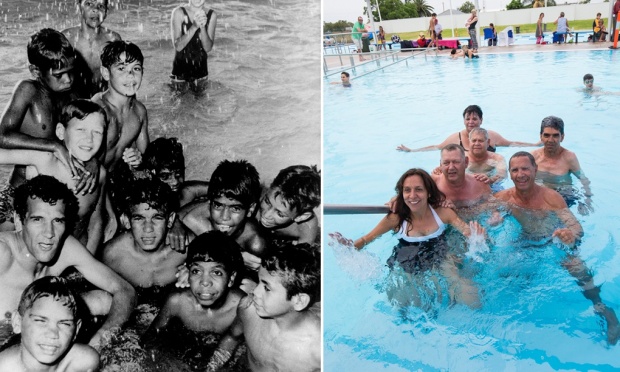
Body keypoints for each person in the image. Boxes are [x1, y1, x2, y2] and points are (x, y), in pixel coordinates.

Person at [493, 152, 620, 345]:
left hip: (553, 240)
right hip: (525, 241)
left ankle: (602, 308)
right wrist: (495, 217)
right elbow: (480, 210)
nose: (521, 174)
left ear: (535, 170)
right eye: (515, 170)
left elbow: (576, 227)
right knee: (503, 272)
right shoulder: (503, 198)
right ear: (510, 174)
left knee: (579, 269)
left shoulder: (551, 198)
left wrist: (571, 236)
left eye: (525, 168)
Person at [0, 175, 136, 349]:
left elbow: (125, 290)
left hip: (38, 339)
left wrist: (100, 340)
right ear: (19, 221)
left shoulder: (66, 247)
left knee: (102, 300)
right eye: (37, 219)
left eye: (57, 221)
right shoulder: (3, 253)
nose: (49, 233)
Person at [332, 168, 483, 308]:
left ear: (428, 192)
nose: (412, 196)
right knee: (400, 300)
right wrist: (349, 246)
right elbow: (367, 239)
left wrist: (477, 236)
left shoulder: (443, 213)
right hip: (407, 259)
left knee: (465, 291)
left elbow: (466, 230)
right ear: (401, 194)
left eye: (418, 190)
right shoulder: (396, 218)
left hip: (440, 255)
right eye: (407, 190)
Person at [0, 29, 96, 231]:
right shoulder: (28, 91)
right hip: (18, 191)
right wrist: (52, 145)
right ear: (36, 72)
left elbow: (92, 133)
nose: (68, 79)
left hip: (53, 196)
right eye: (60, 75)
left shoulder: (72, 95)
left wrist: (93, 162)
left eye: (71, 71)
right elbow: (2, 136)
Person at [0, 99, 107, 255]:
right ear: (60, 132)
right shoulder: (45, 160)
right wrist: (52, 145)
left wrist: (85, 263)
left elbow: (96, 223)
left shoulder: (100, 174)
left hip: (74, 257)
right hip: (34, 253)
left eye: (97, 132)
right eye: (80, 130)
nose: (89, 139)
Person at [204, 243, 320, 372]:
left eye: (266, 288)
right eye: (259, 282)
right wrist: (211, 368)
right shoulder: (248, 310)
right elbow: (232, 338)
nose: (255, 291)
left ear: (299, 301)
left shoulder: (320, 349)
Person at [141, 231, 245, 361]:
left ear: (231, 278)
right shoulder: (178, 302)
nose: (205, 282)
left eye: (216, 272)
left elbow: (231, 343)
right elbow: (150, 338)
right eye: (196, 271)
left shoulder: (240, 307)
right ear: (188, 274)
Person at [102, 178, 186, 306]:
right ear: (126, 220)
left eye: (157, 218)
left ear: (170, 220)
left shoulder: (185, 249)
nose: (148, 228)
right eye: (139, 218)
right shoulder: (112, 255)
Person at [179, 160, 266, 272]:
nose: (224, 217)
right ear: (209, 204)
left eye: (235, 208)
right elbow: (186, 216)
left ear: (250, 210)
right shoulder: (207, 210)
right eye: (218, 206)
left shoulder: (255, 243)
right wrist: (176, 223)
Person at [0, 277, 100, 371]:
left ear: (77, 329)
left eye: (64, 324)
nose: (53, 334)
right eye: (40, 321)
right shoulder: (4, 368)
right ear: (18, 322)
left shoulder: (85, 362)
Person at [92, 40, 149, 172]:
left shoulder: (139, 112)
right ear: (106, 73)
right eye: (121, 68)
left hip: (116, 180)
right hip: (89, 182)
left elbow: (146, 159)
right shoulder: (97, 109)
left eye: (136, 68)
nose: (130, 75)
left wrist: (138, 160)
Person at [397, 105, 539, 153]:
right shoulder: (455, 138)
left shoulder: (491, 136)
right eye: (468, 119)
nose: (471, 122)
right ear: (463, 120)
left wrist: (535, 145)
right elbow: (437, 147)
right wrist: (412, 150)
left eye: (475, 119)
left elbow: (511, 144)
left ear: (481, 120)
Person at [530, 116, 593, 215]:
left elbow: (584, 180)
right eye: (546, 135)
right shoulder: (533, 156)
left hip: (564, 196)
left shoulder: (569, 158)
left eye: (555, 135)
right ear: (541, 137)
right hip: (540, 195)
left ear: (562, 137)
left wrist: (587, 201)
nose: (550, 140)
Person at [62, 0, 122, 97]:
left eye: (101, 6)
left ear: (106, 10)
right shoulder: (67, 38)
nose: (95, 10)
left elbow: (121, 76)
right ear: (79, 7)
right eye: (89, 4)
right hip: (74, 103)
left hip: (102, 101)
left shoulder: (113, 39)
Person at [256, 165, 321, 245]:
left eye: (280, 214)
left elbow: (302, 254)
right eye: (267, 202)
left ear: (300, 217)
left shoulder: (306, 227)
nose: (266, 215)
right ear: (269, 188)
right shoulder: (256, 198)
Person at [170, 0, 217, 94]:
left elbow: (208, 48)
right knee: (177, 107)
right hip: (180, 74)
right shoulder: (178, 12)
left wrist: (202, 27)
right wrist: (195, 26)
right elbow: (178, 46)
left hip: (201, 74)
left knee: (201, 107)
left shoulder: (212, 14)